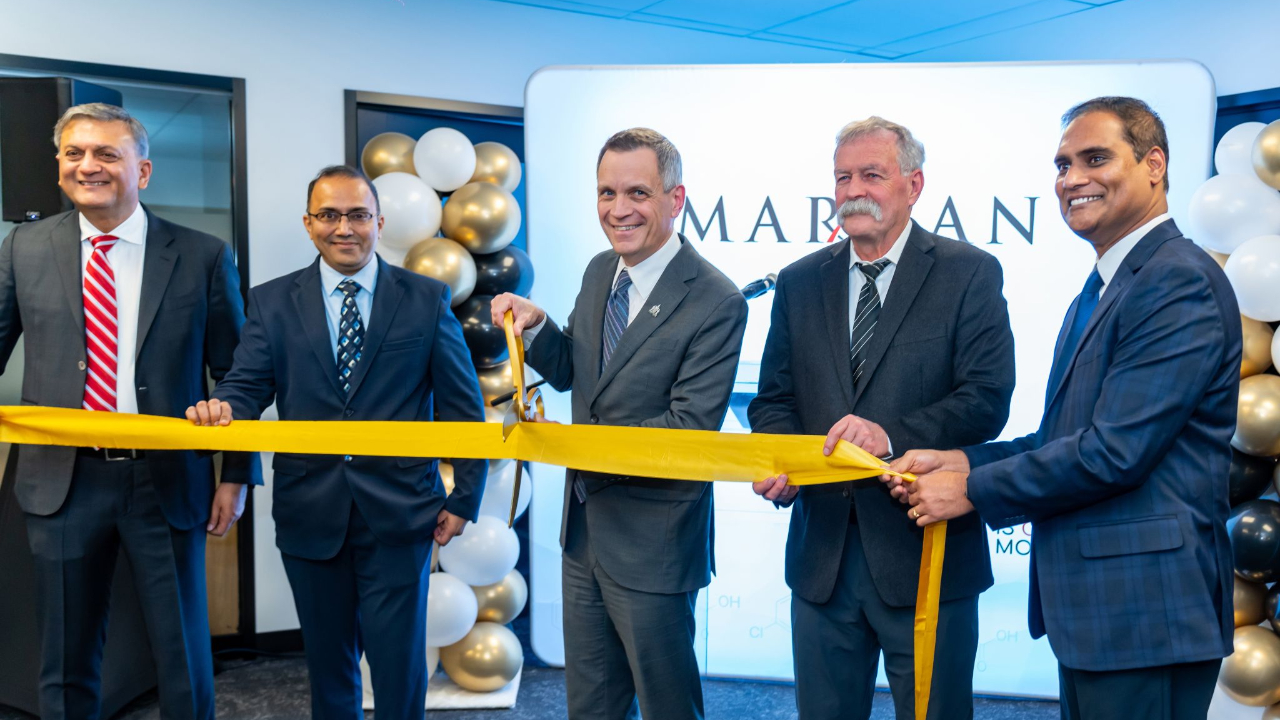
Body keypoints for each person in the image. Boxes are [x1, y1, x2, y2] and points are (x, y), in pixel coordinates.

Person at [890, 97, 1240, 720]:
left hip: (1144, 615)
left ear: (1154, 164)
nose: (1071, 179)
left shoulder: (1173, 279)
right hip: (1104, 615)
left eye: (1095, 159)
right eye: (1062, 165)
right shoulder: (1107, 283)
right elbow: (1063, 436)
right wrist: (957, 456)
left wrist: (972, 487)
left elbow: (1115, 452)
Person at [186, 165, 487, 720]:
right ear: (308, 223)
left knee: (398, 667)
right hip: (309, 512)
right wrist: (224, 406)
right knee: (329, 667)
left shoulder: (424, 298)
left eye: (357, 215)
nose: (343, 227)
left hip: (402, 514)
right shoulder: (272, 302)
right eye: (329, 215)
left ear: (378, 221)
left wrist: (465, 498)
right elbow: (247, 385)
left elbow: (463, 408)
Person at [747, 116, 1016, 720]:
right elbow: (772, 400)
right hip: (821, 562)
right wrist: (783, 458)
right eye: (843, 177)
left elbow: (987, 398)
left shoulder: (969, 272)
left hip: (926, 554)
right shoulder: (797, 282)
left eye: (872, 174)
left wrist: (888, 435)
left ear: (914, 185)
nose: (853, 190)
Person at [0, 102, 257, 720]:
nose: (88, 166)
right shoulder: (23, 247)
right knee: (64, 656)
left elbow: (237, 376)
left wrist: (237, 473)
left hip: (166, 481)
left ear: (142, 171)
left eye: (107, 153)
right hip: (59, 480)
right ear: (60, 166)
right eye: (74, 153)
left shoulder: (202, 256)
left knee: (182, 652)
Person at [491, 127, 747, 720]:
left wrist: (572, 444)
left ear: (675, 199)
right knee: (593, 708)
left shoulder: (716, 300)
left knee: (667, 708)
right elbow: (575, 372)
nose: (618, 209)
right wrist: (535, 326)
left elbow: (688, 427)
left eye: (637, 192)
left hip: (653, 543)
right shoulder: (600, 269)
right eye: (606, 193)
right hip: (584, 536)